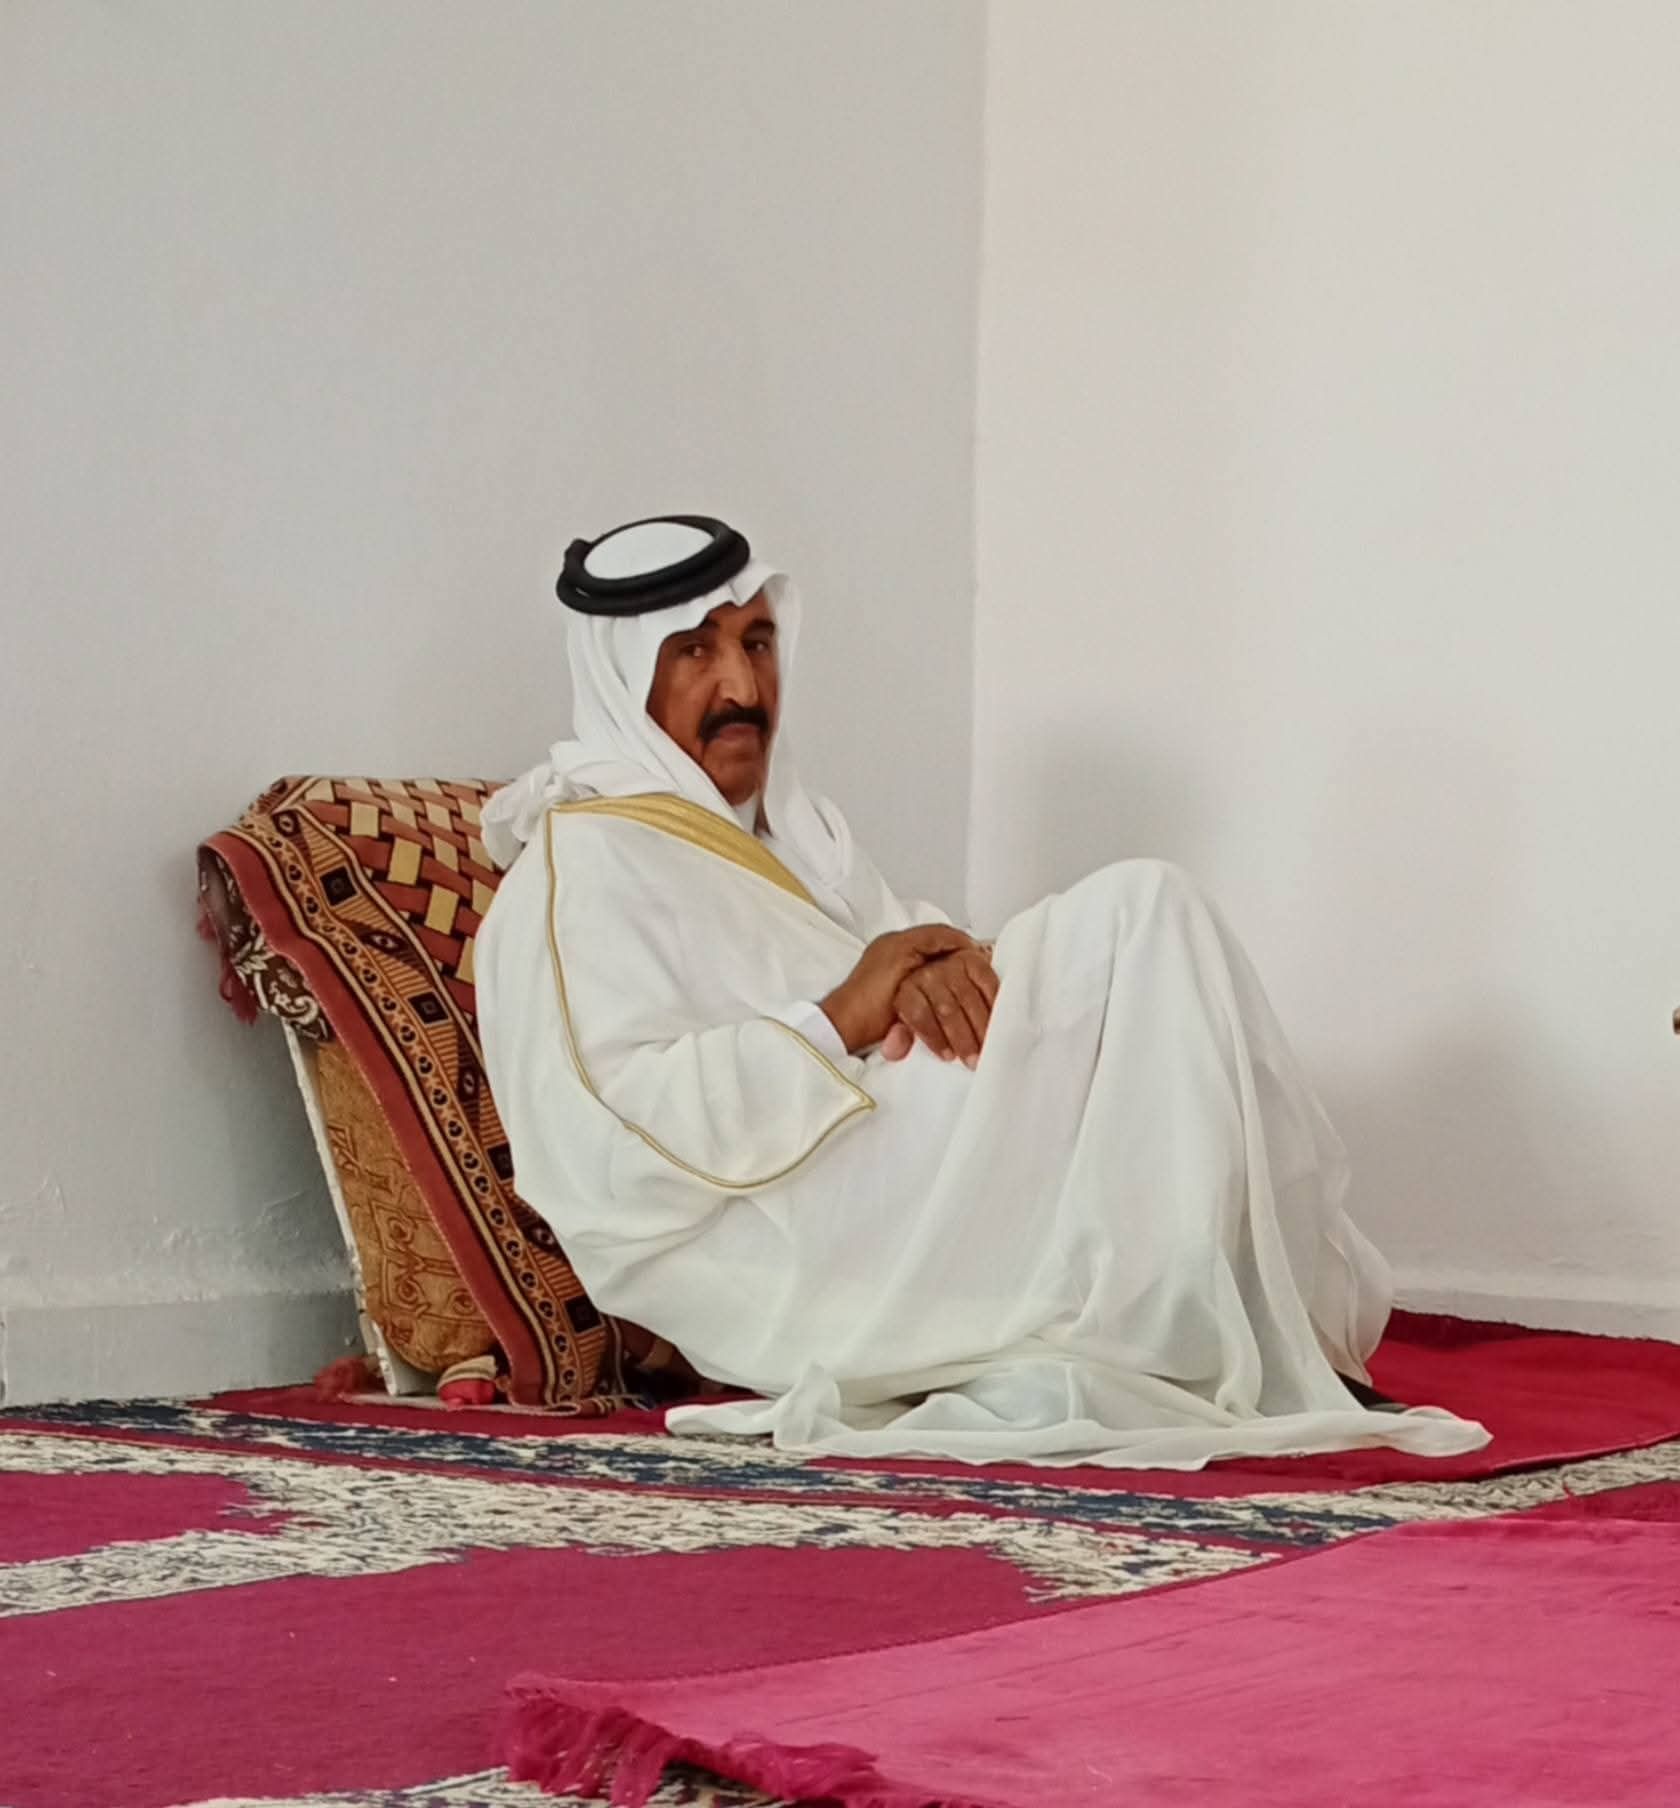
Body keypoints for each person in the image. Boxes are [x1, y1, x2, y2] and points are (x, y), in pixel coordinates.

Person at [476, 515, 1486, 1468]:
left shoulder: (794, 836)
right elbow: (607, 1144)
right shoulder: (582, 866)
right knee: (1139, 913)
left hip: (866, 1155)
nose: (742, 684)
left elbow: (907, 956)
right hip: (771, 1241)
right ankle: (1204, 1335)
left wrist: (934, 969)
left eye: (758, 642)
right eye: (696, 651)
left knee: (1148, 931)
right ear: (624, 676)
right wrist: (841, 1016)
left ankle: (1217, 1333)